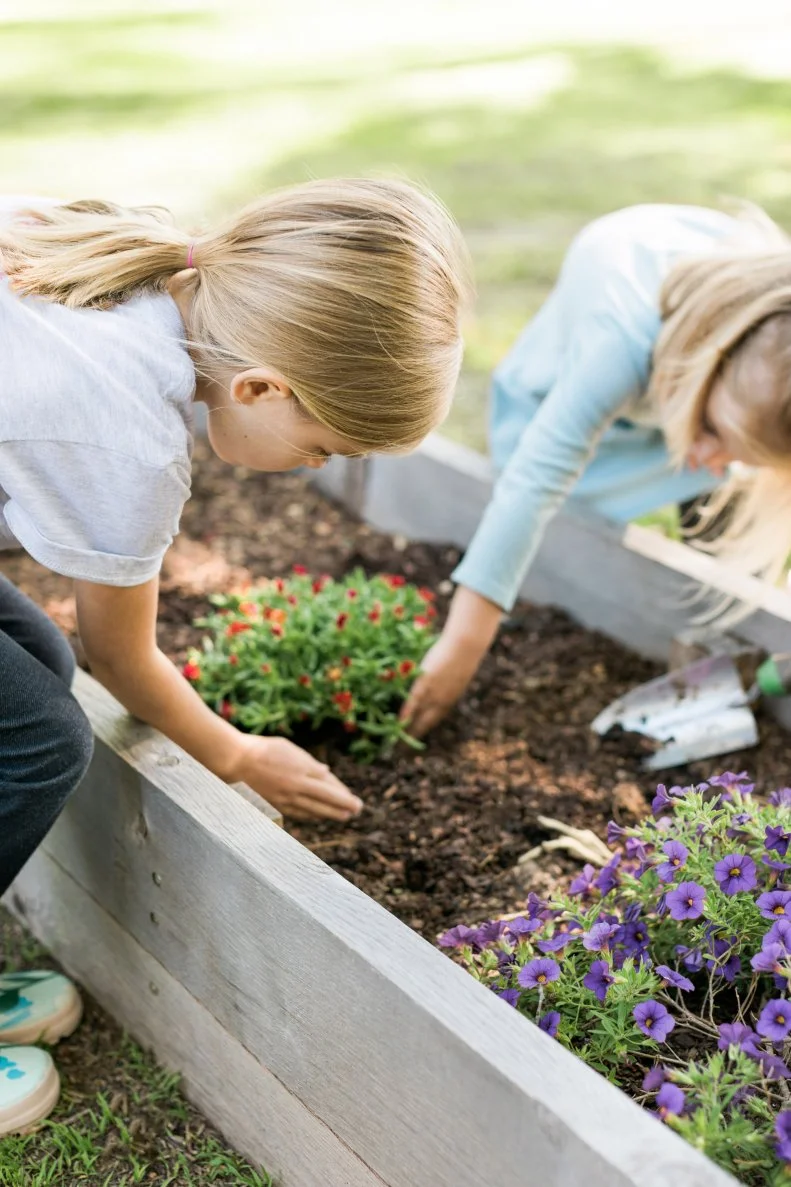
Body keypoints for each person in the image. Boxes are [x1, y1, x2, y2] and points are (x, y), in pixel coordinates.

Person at [0, 179, 471, 1133]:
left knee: (37, 662)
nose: (318, 468)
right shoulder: (127, 435)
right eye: (323, 445)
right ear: (259, 387)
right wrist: (239, 752)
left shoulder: (128, 258)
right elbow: (121, 656)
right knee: (43, 738)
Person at [402, 201, 791, 737]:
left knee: (716, 475)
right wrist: (463, 643)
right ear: (708, 360)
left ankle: (724, 608)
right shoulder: (619, 344)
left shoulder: (773, 348)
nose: (710, 460)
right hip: (617, 291)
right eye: (713, 429)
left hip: (696, 323)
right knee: (559, 492)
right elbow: (536, 478)